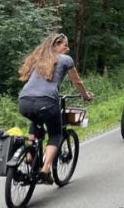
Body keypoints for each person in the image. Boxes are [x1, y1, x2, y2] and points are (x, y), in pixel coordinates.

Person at [17, 33, 93, 184]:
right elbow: (76, 81)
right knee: (56, 134)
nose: (67, 48)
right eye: (65, 45)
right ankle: (45, 170)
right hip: (47, 101)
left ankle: (29, 156)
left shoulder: (37, 59)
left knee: (36, 121)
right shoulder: (66, 59)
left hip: (24, 101)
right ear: (56, 45)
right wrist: (85, 95)